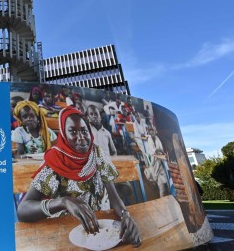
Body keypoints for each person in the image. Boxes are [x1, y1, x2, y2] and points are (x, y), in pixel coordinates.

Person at [17, 106, 141, 247]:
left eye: (84, 130)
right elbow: (23, 210)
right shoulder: (55, 162)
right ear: (63, 134)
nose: (81, 137)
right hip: (64, 232)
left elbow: (114, 196)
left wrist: (126, 215)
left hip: (100, 228)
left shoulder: (96, 153)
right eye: (73, 131)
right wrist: (63, 202)